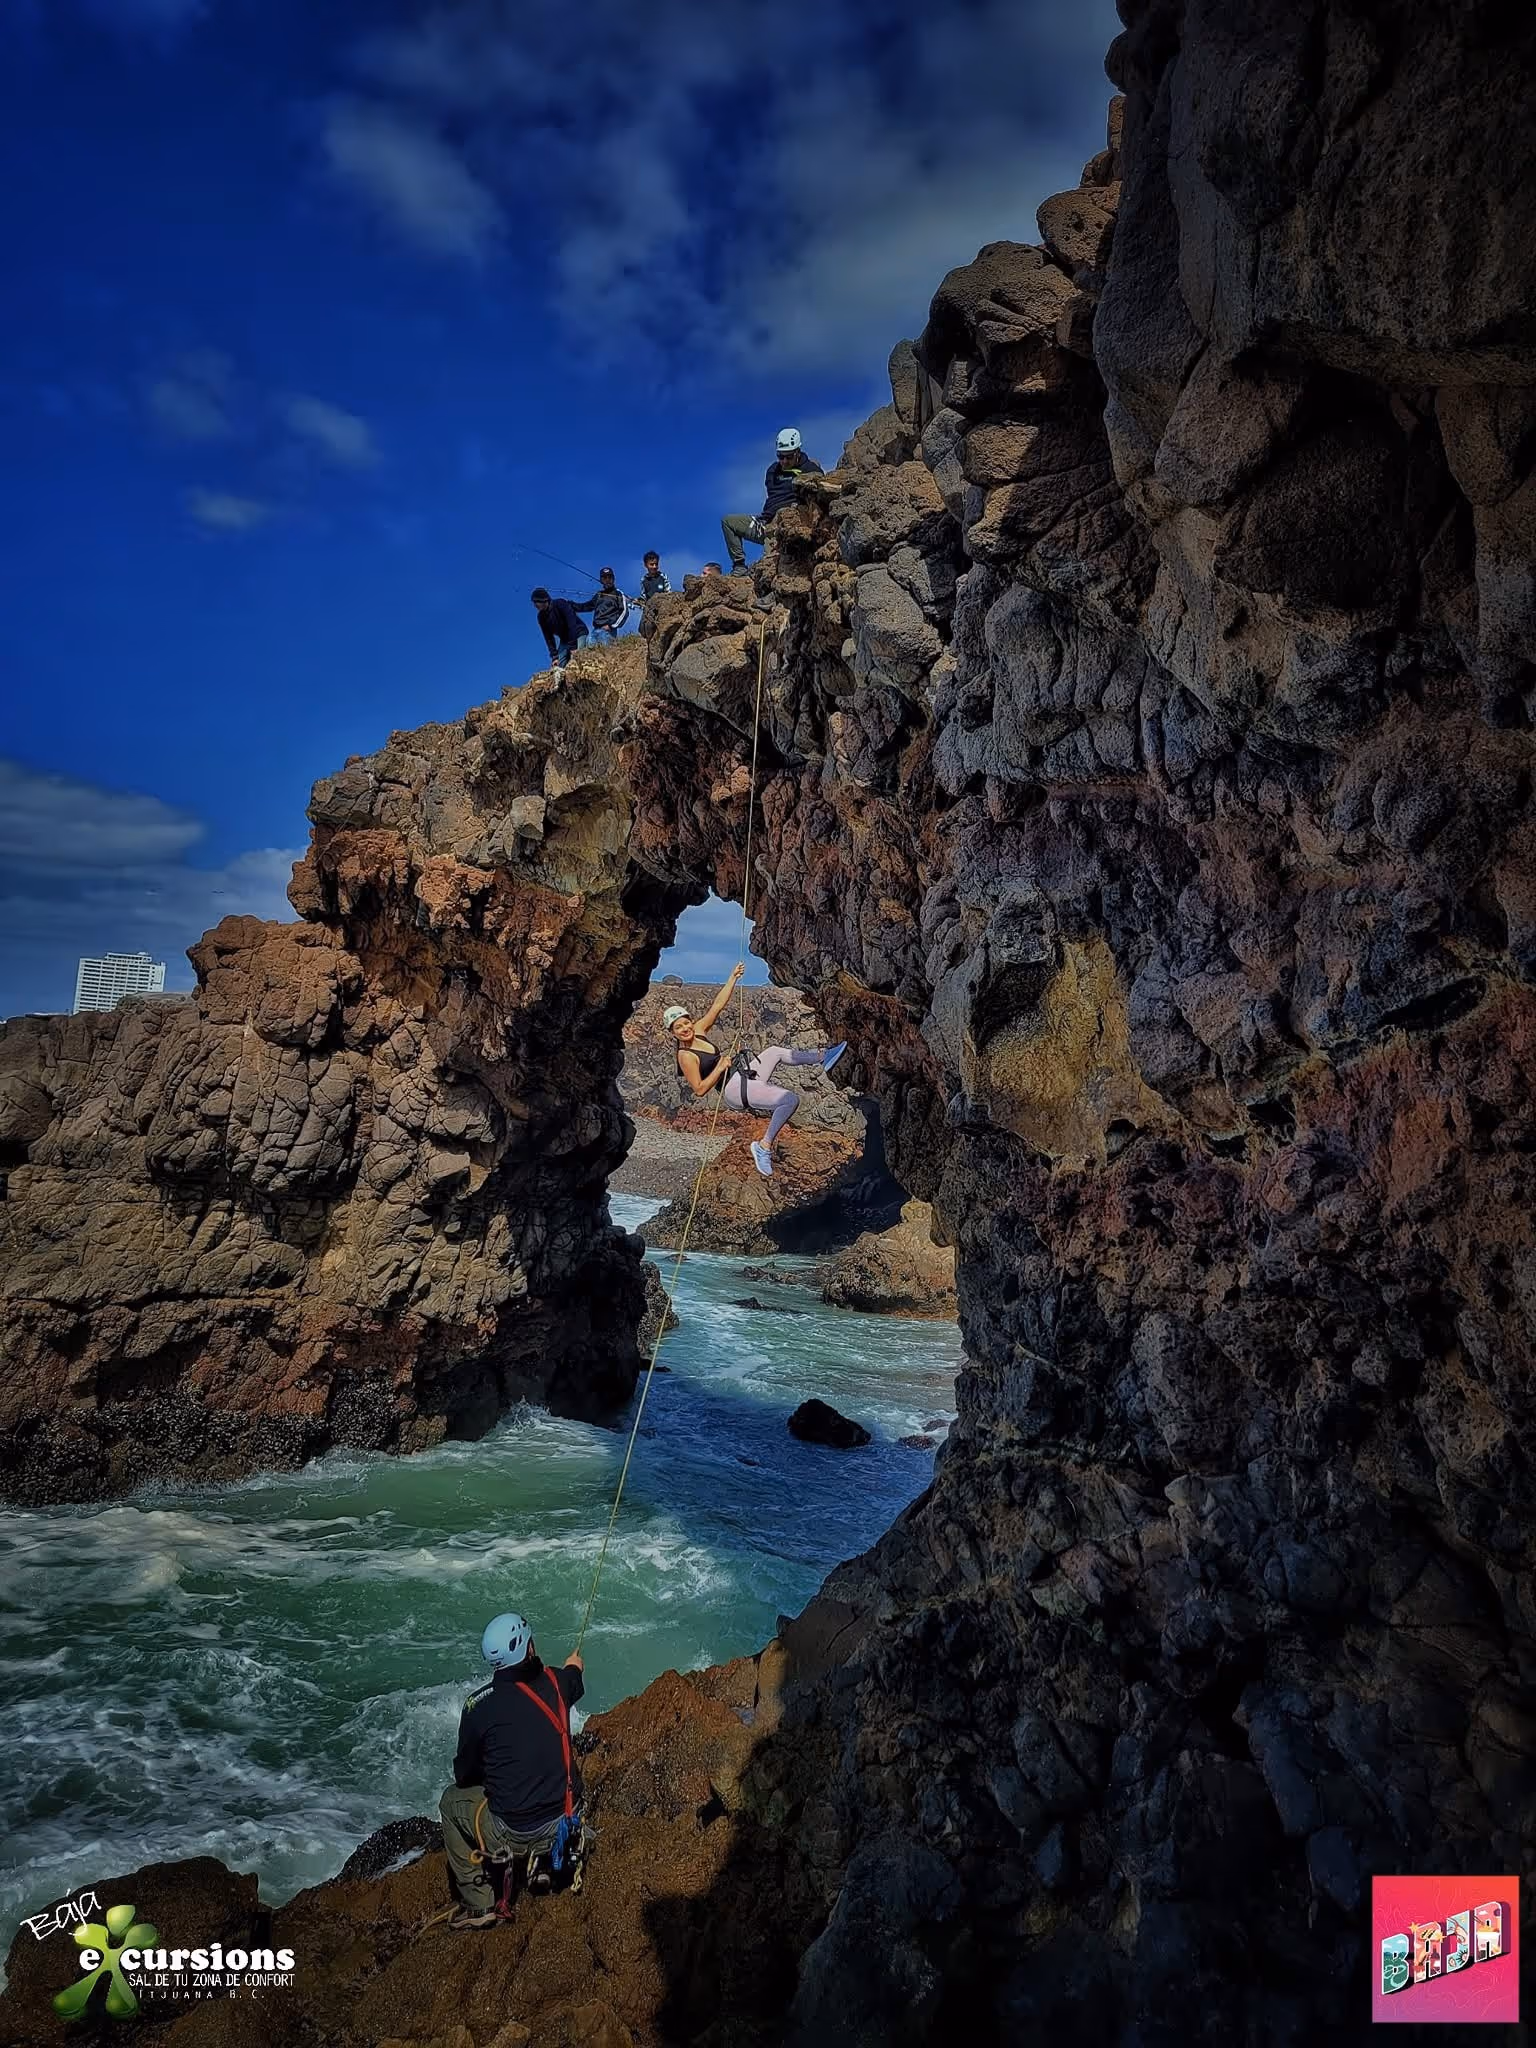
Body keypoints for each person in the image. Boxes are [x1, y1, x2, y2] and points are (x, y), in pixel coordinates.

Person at [439, 1611, 587, 1929]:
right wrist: (574, 1666)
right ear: (529, 1648)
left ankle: (480, 1906)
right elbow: (575, 1680)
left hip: (514, 1832)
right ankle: (550, 1862)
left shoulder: (477, 1707)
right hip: (567, 1816)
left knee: (450, 1802)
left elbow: (464, 1776)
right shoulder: (558, 1682)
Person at [663, 964, 847, 1179]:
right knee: (789, 1100)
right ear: (673, 1033)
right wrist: (721, 1067)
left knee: (774, 1051)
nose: (685, 1029)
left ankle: (823, 1057)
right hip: (732, 1090)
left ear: (691, 1022)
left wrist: (732, 977)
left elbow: (718, 1005)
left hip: (741, 1076)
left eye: (686, 1023)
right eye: (679, 1028)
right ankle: (763, 1146)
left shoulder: (699, 1030)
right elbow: (700, 1089)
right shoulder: (685, 1056)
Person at [720, 428, 824, 574]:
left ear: (798, 452)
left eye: (788, 457)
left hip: (788, 522)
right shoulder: (772, 471)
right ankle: (739, 567)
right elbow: (772, 497)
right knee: (729, 521)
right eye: (780, 456)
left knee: (772, 561)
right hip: (765, 522)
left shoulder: (810, 470)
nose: (784, 461)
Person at [532, 587, 587, 672]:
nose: (535, 605)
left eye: (536, 602)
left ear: (543, 600)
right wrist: (554, 656)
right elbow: (548, 637)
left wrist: (573, 647)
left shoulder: (560, 604)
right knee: (558, 667)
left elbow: (572, 624)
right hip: (564, 640)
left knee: (578, 658)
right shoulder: (541, 617)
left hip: (578, 632)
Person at [576, 567, 630, 643]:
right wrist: (571, 605)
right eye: (604, 578)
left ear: (613, 579)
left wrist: (611, 626)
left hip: (608, 632)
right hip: (594, 631)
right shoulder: (598, 595)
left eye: (610, 577)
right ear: (601, 580)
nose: (607, 580)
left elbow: (624, 612)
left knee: (606, 653)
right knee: (591, 653)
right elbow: (587, 606)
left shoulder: (618, 594)